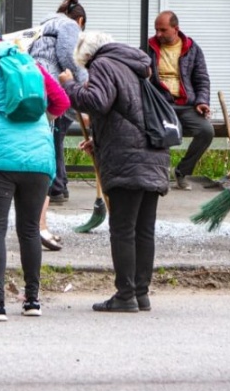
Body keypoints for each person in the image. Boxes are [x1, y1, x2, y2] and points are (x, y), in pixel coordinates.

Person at [0, 25, 69, 321]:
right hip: (39, 160)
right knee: (30, 229)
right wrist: (38, 121)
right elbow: (62, 102)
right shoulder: (31, 65)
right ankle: (32, 301)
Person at [60, 31, 170, 312]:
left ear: (87, 56)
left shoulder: (103, 64)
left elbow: (97, 101)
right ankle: (140, 293)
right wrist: (99, 140)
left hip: (127, 159)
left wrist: (71, 86)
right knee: (144, 229)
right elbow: (128, 111)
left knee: (122, 229)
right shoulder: (135, 65)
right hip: (153, 153)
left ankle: (125, 295)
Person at [27, 0, 87, 251]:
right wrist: (84, 84)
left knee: (47, 143)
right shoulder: (70, 25)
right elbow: (67, 56)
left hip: (32, 84)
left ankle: (51, 198)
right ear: (81, 21)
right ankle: (40, 222)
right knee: (50, 147)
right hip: (50, 88)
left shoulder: (43, 25)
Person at [147, 11, 212, 190]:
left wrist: (202, 102)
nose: (158, 34)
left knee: (206, 131)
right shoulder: (148, 47)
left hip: (186, 104)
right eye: (156, 30)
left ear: (176, 29)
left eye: (163, 30)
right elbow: (137, 75)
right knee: (159, 133)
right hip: (160, 105)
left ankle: (182, 171)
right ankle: (159, 174)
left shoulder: (192, 48)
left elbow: (202, 79)